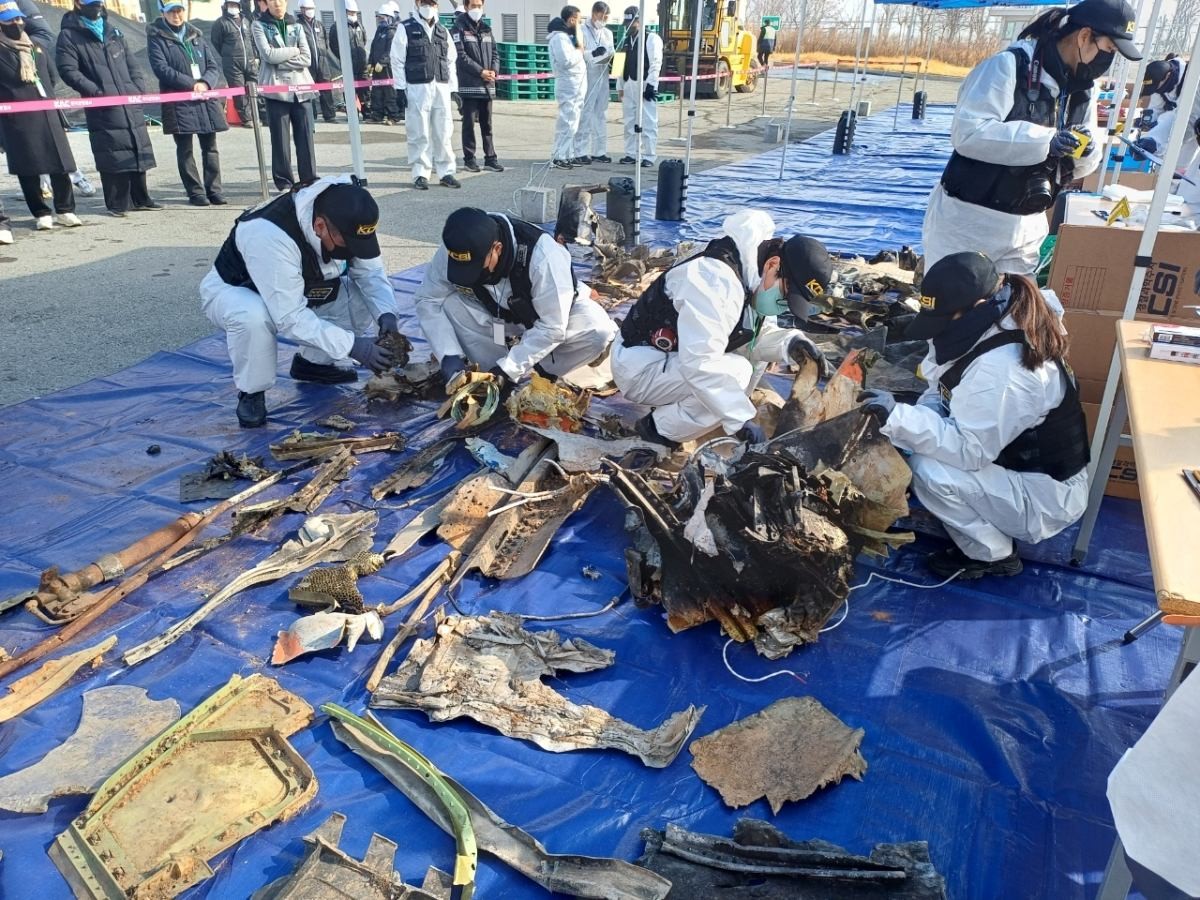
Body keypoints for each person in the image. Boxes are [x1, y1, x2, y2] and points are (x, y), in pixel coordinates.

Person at [859, 251, 1090, 579]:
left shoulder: (1005, 369)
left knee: (929, 470)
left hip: (1045, 496)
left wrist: (898, 420)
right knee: (914, 441)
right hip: (1011, 464)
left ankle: (992, 554)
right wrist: (905, 425)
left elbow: (971, 451)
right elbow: (939, 388)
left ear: (978, 308)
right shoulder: (990, 320)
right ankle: (983, 517)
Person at [921, 0, 1141, 276]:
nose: (1107, 62)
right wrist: (1045, 140)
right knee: (953, 308)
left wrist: (1086, 152)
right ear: (1085, 36)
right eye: (1108, 50)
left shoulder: (1084, 90)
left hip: (1027, 227)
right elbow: (969, 132)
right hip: (970, 222)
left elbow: (1085, 162)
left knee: (1014, 314)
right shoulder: (1007, 67)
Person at [611, 209, 831, 449]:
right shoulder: (714, 281)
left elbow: (755, 338)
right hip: (639, 368)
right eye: (786, 295)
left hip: (670, 360)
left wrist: (791, 343)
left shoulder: (754, 273)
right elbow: (699, 364)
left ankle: (690, 414)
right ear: (774, 264)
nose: (782, 305)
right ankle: (658, 430)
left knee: (748, 365)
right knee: (735, 372)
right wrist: (741, 418)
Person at [200, 176, 401, 427]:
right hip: (240, 290)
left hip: (303, 285)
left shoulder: (348, 212)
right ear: (319, 225)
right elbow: (290, 317)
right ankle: (252, 391)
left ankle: (314, 364)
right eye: (347, 244)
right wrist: (353, 346)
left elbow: (370, 274)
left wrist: (387, 315)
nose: (352, 251)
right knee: (253, 316)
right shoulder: (268, 233)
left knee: (357, 293)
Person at [414, 206, 616, 389]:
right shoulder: (457, 248)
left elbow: (551, 327)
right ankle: (490, 371)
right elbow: (428, 299)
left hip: (550, 314)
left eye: (477, 267)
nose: (472, 275)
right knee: (449, 303)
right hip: (498, 315)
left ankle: (547, 370)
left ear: (497, 248)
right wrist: (448, 354)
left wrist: (509, 369)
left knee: (598, 332)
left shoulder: (544, 256)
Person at [56, 0, 160, 216]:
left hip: (128, 98)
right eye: (90, 3)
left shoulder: (114, 31)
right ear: (78, 4)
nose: (96, 7)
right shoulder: (69, 35)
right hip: (103, 104)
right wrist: (97, 92)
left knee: (136, 145)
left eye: (98, 3)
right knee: (111, 150)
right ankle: (117, 202)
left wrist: (137, 87)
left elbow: (132, 64)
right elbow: (68, 70)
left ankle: (141, 197)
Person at [0, 0, 81, 233]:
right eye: (9, 20)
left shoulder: (36, 46)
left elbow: (51, 77)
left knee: (61, 162)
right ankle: (41, 212)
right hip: (18, 119)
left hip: (47, 112)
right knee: (28, 168)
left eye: (18, 19)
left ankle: (65, 209)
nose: (16, 23)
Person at [148, 0, 228, 206]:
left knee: (210, 147)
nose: (176, 15)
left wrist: (205, 83)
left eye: (179, 10)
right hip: (179, 101)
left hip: (204, 99)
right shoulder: (157, 37)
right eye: (171, 11)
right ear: (163, 13)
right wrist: (192, 84)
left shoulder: (196, 35)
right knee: (185, 149)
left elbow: (212, 65)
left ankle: (214, 190)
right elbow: (161, 68)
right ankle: (196, 192)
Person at [391, 0, 459, 190]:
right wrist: (399, 88)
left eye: (432, 2)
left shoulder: (443, 31)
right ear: (417, 3)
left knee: (444, 131)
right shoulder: (405, 28)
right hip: (417, 87)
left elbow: (451, 61)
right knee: (418, 132)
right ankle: (420, 173)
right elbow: (396, 59)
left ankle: (446, 172)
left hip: (441, 87)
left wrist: (454, 89)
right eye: (425, 2)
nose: (428, 6)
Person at [253, 0, 316, 192]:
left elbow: (307, 57)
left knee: (305, 136)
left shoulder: (296, 25)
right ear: (266, 4)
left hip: (301, 88)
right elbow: (268, 55)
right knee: (280, 138)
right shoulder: (259, 25)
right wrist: (293, 51)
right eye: (273, 1)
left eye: (281, 0)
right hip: (276, 89)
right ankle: (284, 180)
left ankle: (309, 178)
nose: (277, 3)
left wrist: (281, 60)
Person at [451, 0, 503, 172]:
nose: (476, 9)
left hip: (488, 85)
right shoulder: (458, 28)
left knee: (487, 124)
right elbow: (461, 56)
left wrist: (493, 71)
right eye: (473, 6)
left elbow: (495, 53)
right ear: (466, 7)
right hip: (469, 85)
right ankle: (469, 159)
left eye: (479, 6)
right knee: (469, 124)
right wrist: (480, 71)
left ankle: (490, 158)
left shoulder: (486, 29)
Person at [1131, 55, 1199, 171]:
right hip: (1172, 131)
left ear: (1167, 76)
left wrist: (1155, 142)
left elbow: (1188, 122)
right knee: (1164, 168)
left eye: (1156, 88)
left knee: (1180, 171)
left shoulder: (1194, 82)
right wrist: (1148, 122)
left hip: (1193, 132)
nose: (1156, 91)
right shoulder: (1162, 84)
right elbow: (1156, 108)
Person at [617, 4, 660, 167]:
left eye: (631, 24)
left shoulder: (651, 38)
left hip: (643, 83)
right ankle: (631, 153)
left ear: (639, 21)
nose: (628, 27)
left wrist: (651, 85)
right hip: (628, 84)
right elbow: (620, 66)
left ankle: (649, 155)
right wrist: (619, 86)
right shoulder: (626, 40)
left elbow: (656, 63)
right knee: (629, 121)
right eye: (626, 24)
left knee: (648, 120)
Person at [547, 6, 584, 168]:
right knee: (567, 121)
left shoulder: (568, 37)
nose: (580, 23)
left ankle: (567, 153)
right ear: (571, 19)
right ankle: (559, 155)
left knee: (573, 121)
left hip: (575, 84)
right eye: (579, 20)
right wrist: (580, 51)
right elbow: (566, 61)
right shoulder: (559, 38)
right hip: (568, 84)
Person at [576, 1, 613, 164]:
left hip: (603, 76)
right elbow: (581, 53)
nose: (603, 20)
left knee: (601, 113)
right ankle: (580, 150)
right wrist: (594, 53)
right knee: (586, 113)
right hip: (588, 76)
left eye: (606, 17)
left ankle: (599, 151)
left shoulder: (607, 33)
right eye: (602, 16)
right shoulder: (582, 31)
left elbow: (611, 50)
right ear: (594, 14)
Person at [210, 0, 256, 127]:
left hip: (250, 61)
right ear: (225, 6)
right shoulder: (220, 23)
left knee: (255, 87)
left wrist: (255, 56)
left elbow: (252, 40)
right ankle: (246, 118)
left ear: (239, 7)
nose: (232, 7)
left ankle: (258, 114)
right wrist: (228, 54)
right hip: (232, 62)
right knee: (238, 90)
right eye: (230, 5)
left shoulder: (246, 21)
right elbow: (216, 42)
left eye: (235, 5)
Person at [297, 0, 336, 123]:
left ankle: (329, 115)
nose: (310, 10)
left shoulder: (319, 24)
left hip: (322, 60)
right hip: (307, 62)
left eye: (312, 8)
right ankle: (311, 115)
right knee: (309, 89)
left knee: (326, 87)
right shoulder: (297, 25)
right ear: (302, 9)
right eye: (308, 8)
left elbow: (325, 42)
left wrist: (323, 53)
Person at [329, 0, 368, 116]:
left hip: (361, 63)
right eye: (350, 12)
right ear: (344, 12)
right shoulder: (337, 26)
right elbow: (334, 45)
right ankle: (352, 113)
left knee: (364, 89)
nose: (353, 15)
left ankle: (366, 111)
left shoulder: (359, 25)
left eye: (354, 12)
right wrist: (345, 58)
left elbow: (364, 41)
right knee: (350, 90)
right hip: (348, 65)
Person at [366, 0, 402, 124]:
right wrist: (370, 62)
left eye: (382, 18)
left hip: (387, 68)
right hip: (376, 68)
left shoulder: (392, 32)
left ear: (390, 18)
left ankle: (393, 116)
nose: (380, 20)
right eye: (379, 18)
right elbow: (373, 47)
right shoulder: (380, 30)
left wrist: (382, 62)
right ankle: (377, 115)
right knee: (376, 92)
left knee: (389, 93)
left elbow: (390, 50)